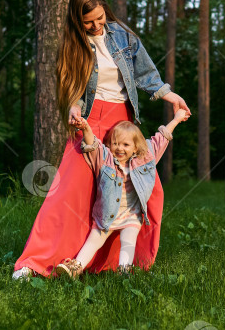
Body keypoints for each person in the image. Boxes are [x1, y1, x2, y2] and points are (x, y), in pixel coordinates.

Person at [12, 0, 191, 280]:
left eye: (100, 18)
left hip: (122, 123)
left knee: (143, 187)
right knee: (70, 193)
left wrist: (171, 96)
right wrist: (73, 107)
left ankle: (121, 262)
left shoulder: (122, 35)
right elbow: (74, 87)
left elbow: (145, 74)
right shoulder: (73, 45)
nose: (97, 26)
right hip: (90, 121)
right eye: (89, 22)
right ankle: (35, 262)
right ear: (77, 21)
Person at [55, 109, 189, 278]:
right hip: (106, 216)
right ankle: (76, 267)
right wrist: (85, 127)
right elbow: (92, 145)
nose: (119, 148)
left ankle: (124, 272)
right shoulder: (106, 160)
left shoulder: (145, 158)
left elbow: (162, 138)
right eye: (115, 143)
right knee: (93, 241)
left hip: (132, 216)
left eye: (125, 145)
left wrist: (176, 119)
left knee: (128, 242)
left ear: (135, 148)